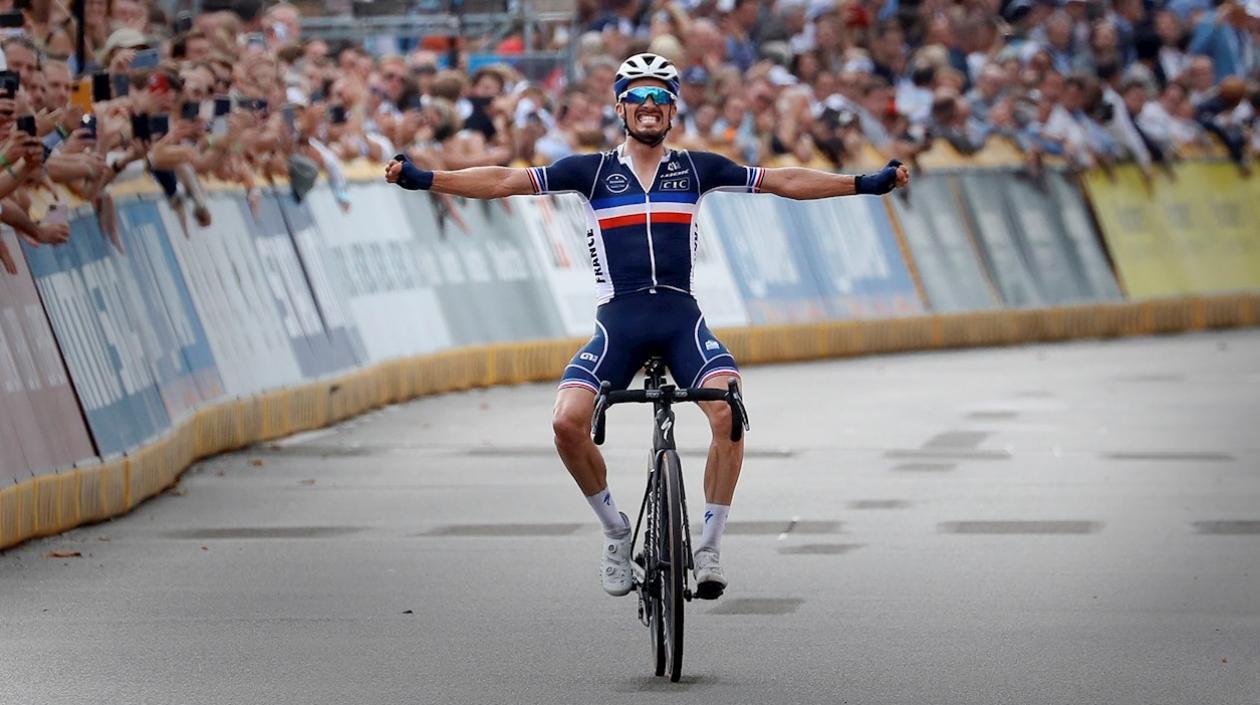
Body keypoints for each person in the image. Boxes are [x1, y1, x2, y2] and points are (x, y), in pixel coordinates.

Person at [385, 52, 909, 600]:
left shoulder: (698, 169)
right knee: (566, 422)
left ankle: (709, 548)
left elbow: (785, 180)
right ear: (620, 108)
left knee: (729, 411)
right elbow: (502, 181)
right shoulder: (589, 172)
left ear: (674, 109)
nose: (650, 104)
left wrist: (864, 183)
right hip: (620, 324)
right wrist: (425, 178)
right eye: (638, 95)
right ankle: (615, 532)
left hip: (682, 321)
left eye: (661, 95)